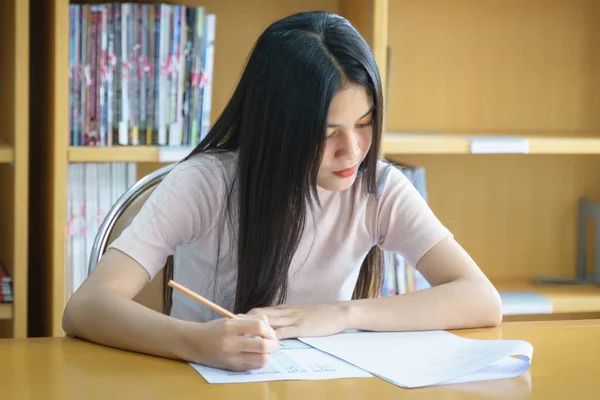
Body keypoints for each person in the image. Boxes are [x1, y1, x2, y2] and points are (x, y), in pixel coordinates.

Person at [62, 10, 502, 372]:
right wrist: (196, 342)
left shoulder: (377, 187)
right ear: (277, 129)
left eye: (365, 125)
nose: (352, 151)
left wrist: (342, 314)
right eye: (326, 133)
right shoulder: (205, 185)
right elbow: (86, 307)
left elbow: (481, 299)